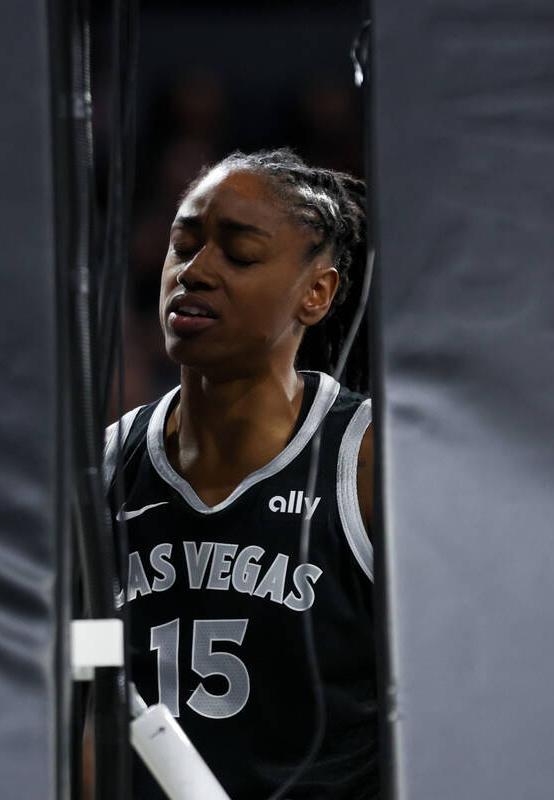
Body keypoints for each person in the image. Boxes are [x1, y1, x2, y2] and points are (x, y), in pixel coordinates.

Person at [104, 148, 376, 799]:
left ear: (317, 292)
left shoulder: (370, 463)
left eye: (240, 254)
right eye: (183, 245)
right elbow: (80, 695)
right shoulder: (114, 461)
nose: (195, 272)